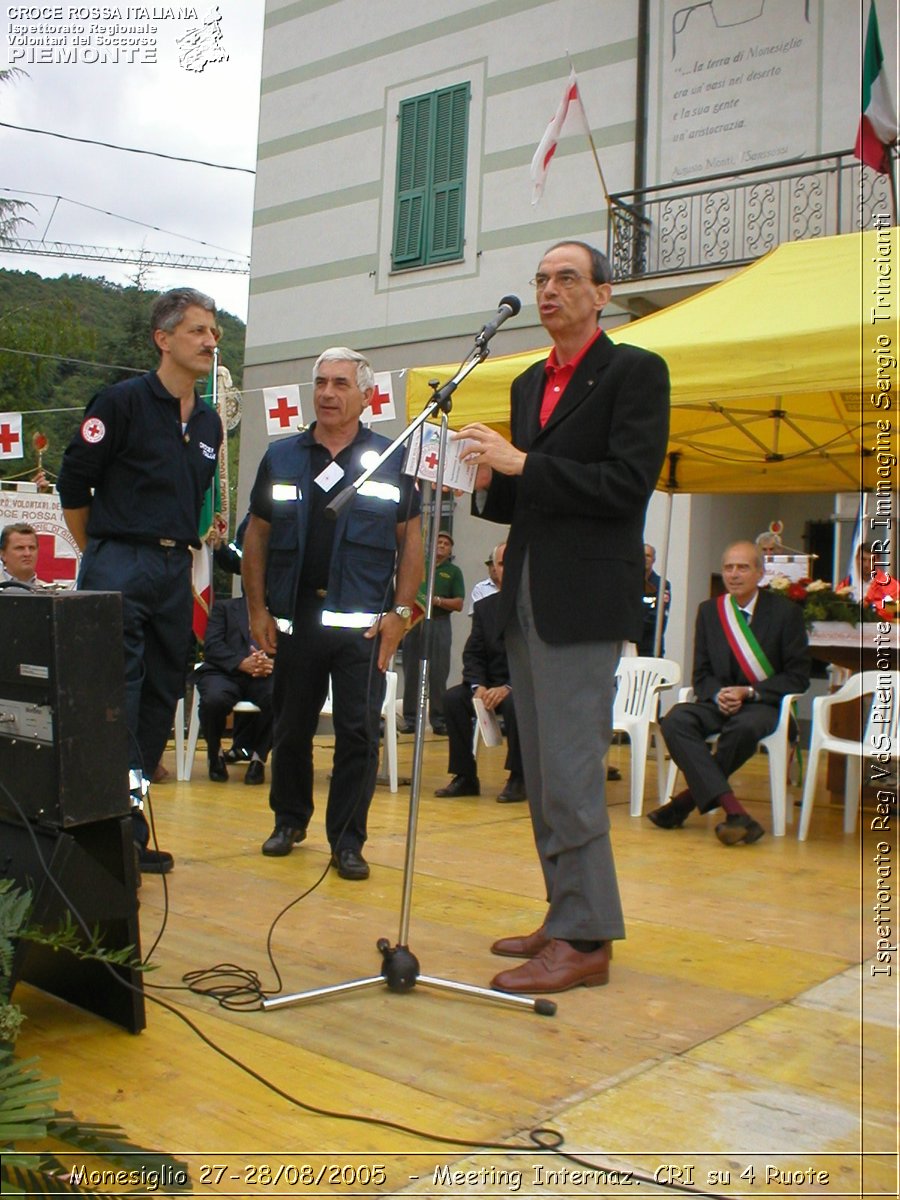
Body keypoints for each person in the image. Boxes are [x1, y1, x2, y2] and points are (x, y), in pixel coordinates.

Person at [456, 239, 670, 994]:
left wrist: (524, 464)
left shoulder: (635, 372)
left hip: (581, 600)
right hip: (526, 598)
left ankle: (587, 938)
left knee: (575, 776)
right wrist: (485, 479)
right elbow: (523, 496)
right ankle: (564, 910)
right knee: (544, 773)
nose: (549, 290)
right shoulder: (525, 382)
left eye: (566, 278)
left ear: (602, 293)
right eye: (541, 279)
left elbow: (626, 484)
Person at [57, 287, 223, 874]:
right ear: (164, 339)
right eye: (198, 331)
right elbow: (74, 485)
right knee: (114, 697)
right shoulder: (121, 403)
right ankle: (98, 833)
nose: (210, 341)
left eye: (214, 332)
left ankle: (127, 822)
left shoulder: (208, 423)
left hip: (175, 569)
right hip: (118, 561)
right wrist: (97, 553)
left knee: (159, 695)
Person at [242, 347, 423, 881]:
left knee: (358, 734)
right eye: (321, 382)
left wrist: (401, 613)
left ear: (366, 395)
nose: (327, 393)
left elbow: (410, 541)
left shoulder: (391, 457)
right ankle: (289, 820)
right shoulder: (282, 457)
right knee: (291, 729)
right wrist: (256, 610)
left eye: (341, 383)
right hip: (294, 621)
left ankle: (348, 841)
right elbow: (257, 535)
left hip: (362, 627)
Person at [649, 540, 810, 845]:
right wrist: (718, 694)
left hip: (761, 704)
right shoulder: (710, 611)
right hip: (717, 702)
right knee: (675, 720)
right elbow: (701, 673)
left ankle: (684, 803)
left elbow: (798, 677)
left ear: (760, 573)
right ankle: (734, 811)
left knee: (743, 728)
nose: (734, 574)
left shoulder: (786, 613)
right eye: (728, 567)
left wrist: (748, 692)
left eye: (743, 567)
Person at [434, 543, 525, 804]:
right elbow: (473, 653)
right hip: (488, 685)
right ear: (494, 569)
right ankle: (465, 776)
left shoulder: (537, 609)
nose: (506, 569)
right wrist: (478, 686)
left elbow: (536, 661)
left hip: (521, 686)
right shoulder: (485, 608)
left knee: (516, 703)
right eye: (501, 564)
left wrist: (508, 686)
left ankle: (519, 777)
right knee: (453, 699)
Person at [195, 595, 273, 784]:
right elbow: (212, 646)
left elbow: (292, 648)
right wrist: (241, 662)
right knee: (213, 699)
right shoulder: (225, 608)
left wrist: (271, 663)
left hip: (265, 674)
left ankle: (258, 759)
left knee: (282, 697)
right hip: (225, 672)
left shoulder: (281, 612)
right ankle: (215, 754)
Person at [400, 529, 465, 734]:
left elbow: (459, 603)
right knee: (412, 671)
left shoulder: (453, 572)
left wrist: (436, 600)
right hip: (415, 621)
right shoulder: (421, 566)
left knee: (438, 672)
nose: (442, 545)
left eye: (446, 543)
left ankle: (439, 719)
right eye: (439, 541)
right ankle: (410, 719)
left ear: (450, 549)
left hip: (439, 622)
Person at [637, 543, 672, 657]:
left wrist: (632, 628)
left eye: (648, 555)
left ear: (654, 559)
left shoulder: (661, 585)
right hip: (630, 649)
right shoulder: (630, 583)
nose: (644, 559)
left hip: (650, 649)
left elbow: (658, 618)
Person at [466, 545, 502, 615]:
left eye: (498, 565)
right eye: (492, 565)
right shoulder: (480, 588)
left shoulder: (513, 587)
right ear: (488, 568)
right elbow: (476, 614)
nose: (494, 569)